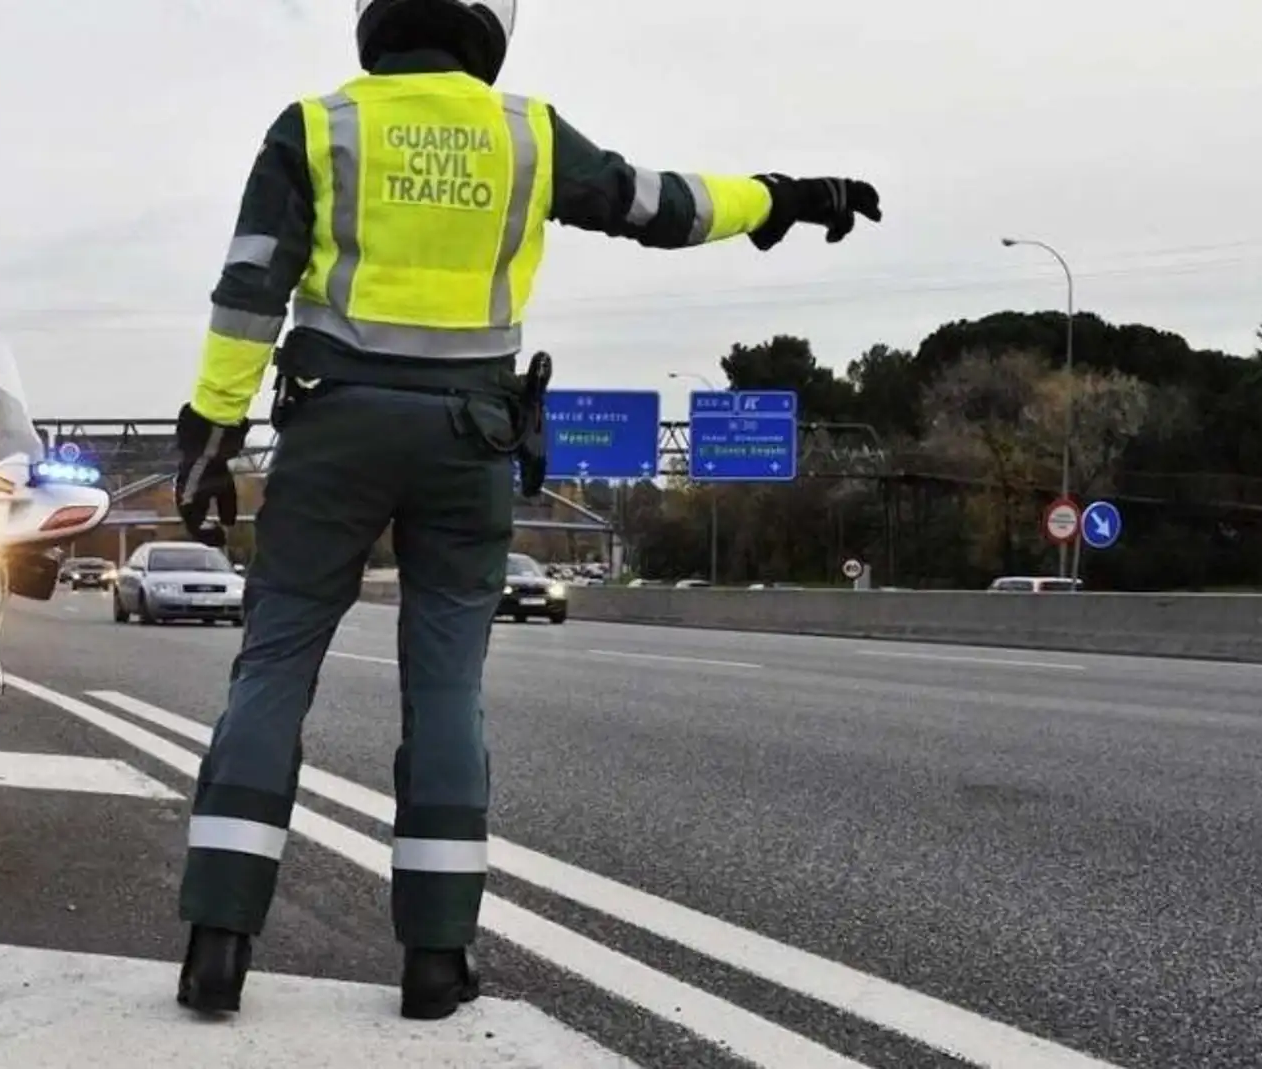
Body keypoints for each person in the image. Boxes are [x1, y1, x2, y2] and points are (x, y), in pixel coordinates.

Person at [169, 0, 883, 1021]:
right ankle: (434, 957)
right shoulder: (526, 134)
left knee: (276, 661)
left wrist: (213, 426)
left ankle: (218, 943)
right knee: (446, 684)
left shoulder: (316, 126)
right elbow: (662, 204)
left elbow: (249, 286)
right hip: (468, 438)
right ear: (484, 24)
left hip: (333, 428)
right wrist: (780, 197)